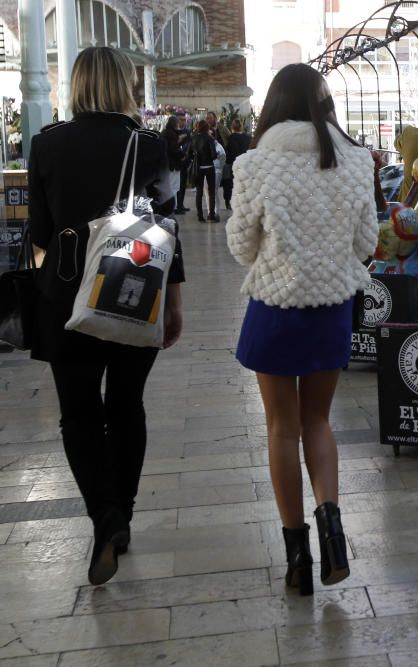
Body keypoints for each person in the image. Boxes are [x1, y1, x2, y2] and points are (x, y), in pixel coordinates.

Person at [27, 46, 184, 585]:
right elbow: (167, 228)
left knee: (78, 414)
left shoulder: (47, 145)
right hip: (133, 291)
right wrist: (175, 303)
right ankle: (125, 515)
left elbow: (39, 236)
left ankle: (105, 516)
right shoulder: (150, 145)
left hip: (64, 299)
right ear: (124, 84)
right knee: (126, 405)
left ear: (75, 85)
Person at [226, 63, 378, 596]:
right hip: (331, 308)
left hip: (275, 307)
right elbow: (366, 242)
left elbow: (241, 247)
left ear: (273, 106)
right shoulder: (357, 161)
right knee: (318, 422)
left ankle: (297, 558)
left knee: (280, 428)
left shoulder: (256, 164)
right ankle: (334, 536)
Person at [188, 119, 219, 222]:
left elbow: (189, 154)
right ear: (207, 128)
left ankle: (200, 215)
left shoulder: (193, 138)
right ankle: (211, 215)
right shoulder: (210, 139)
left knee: (199, 192)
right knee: (211, 192)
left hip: (198, 168)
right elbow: (214, 155)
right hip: (209, 167)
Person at [222, 118, 251, 210]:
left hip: (233, 164)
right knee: (243, 184)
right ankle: (244, 201)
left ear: (232, 127)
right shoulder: (248, 137)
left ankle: (229, 202)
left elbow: (228, 152)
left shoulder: (231, 138)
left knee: (229, 184)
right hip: (245, 164)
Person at [160, 115, 185, 209]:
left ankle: (168, 206)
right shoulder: (172, 135)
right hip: (173, 165)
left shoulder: (163, 133)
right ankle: (173, 207)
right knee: (174, 186)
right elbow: (174, 150)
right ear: (175, 124)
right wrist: (183, 154)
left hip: (166, 164)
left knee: (168, 186)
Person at [175, 113, 192, 213]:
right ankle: (177, 205)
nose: (183, 122)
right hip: (176, 163)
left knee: (183, 184)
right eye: (181, 120)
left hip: (185, 162)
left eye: (184, 120)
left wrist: (187, 156)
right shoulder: (173, 132)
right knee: (177, 185)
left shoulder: (187, 132)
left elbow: (189, 144)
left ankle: (181, 204)